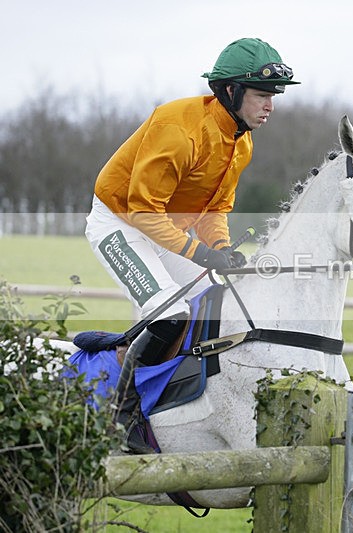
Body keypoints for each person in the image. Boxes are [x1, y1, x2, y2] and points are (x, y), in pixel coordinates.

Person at [84, 37, 299, 453]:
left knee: (215, 304)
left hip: (169, 231)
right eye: (261, 95)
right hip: (121, 222)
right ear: (231, 91)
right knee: (169, 316)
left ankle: (183, 405)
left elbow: (215, 207)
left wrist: (221, 246)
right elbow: (142, 213)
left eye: (273, 96)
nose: (270, 105)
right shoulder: (178, 129)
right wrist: (201, 253)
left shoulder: (242, 143)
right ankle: (122, 417)